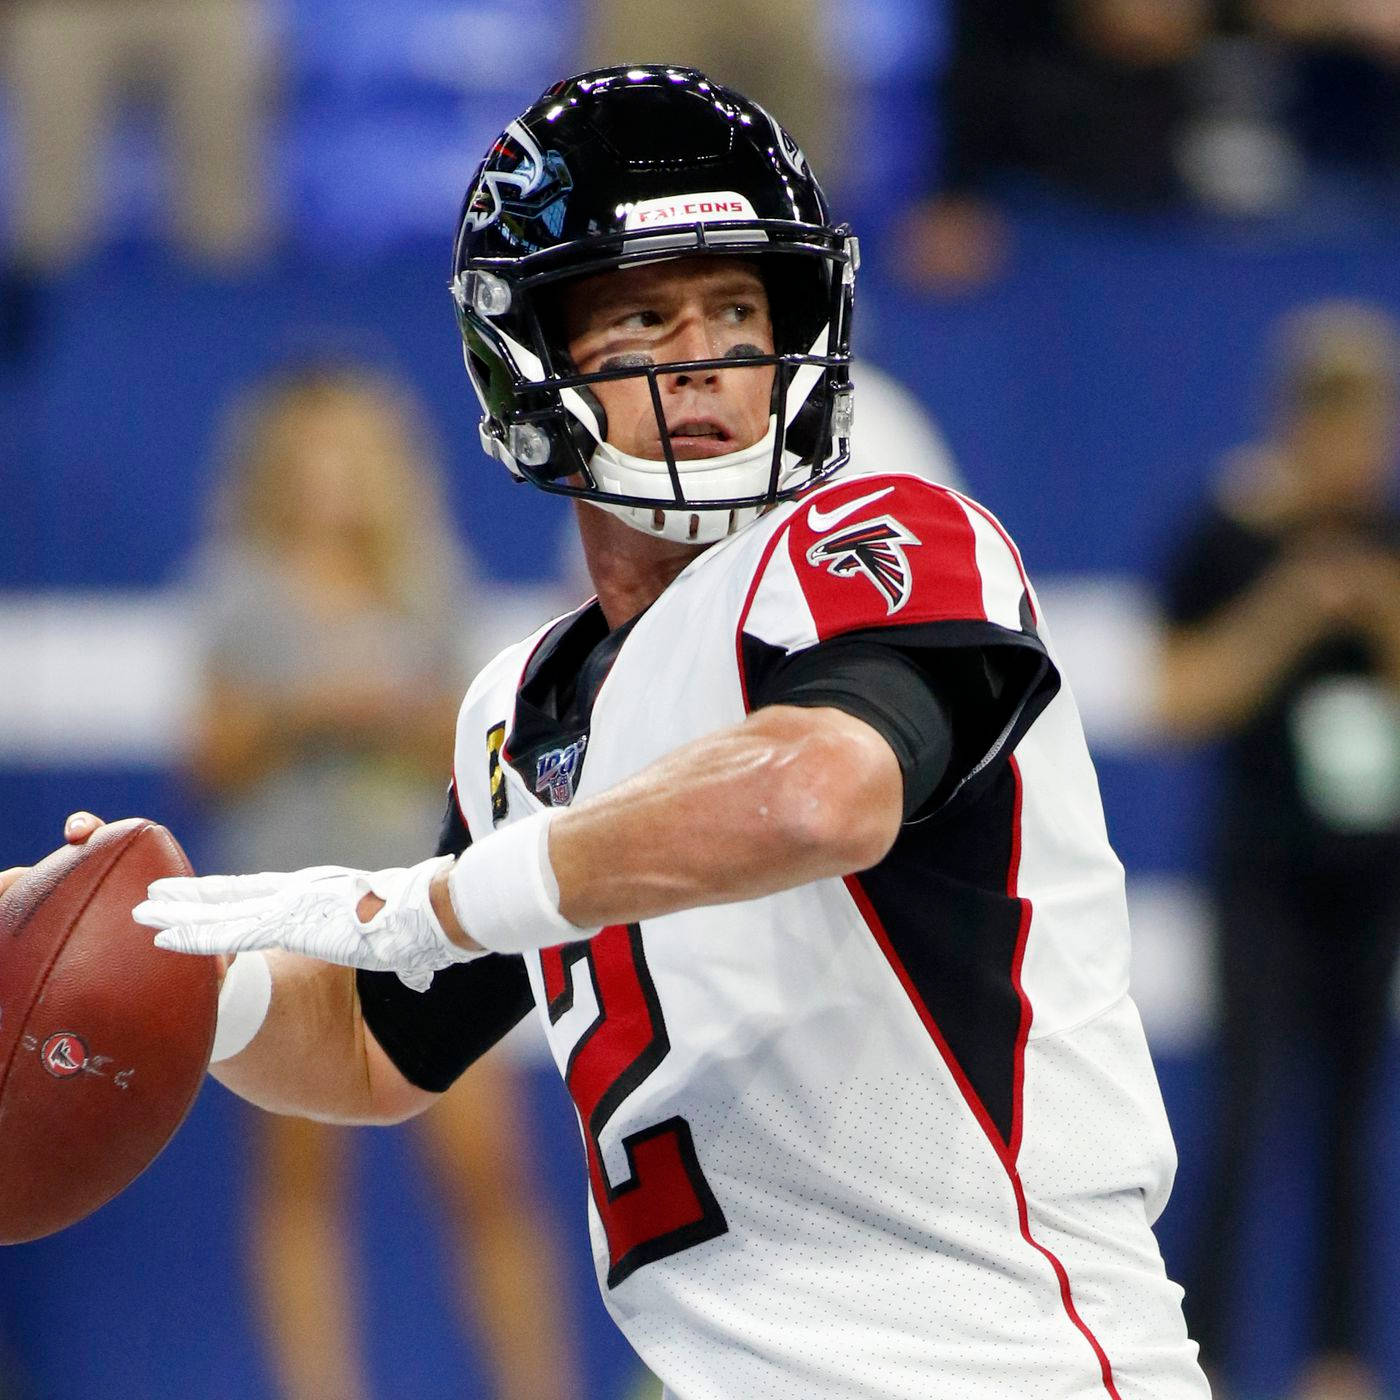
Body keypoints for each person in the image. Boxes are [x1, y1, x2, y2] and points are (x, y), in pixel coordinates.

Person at [6, 68, 1209, 1398]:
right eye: (645, 317)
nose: (705, 364)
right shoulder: (517, 710)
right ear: (531, 357)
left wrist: (463, 894)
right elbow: (372, 1048)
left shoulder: (881, 536)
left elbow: (821, 795)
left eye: (740, 312)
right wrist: (175, 966)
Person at [187, 365, 577, 1400]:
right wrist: (307, 709)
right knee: (301, 1181)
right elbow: (211, 752)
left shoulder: (424, 580)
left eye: (348, 459)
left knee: (488, 1174)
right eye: (311, 461)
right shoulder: (240, 591)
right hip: (286, 918)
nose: (330, 483)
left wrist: (385, 712)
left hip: (418, 915)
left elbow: (465, 741)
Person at [1157, 302, 1400, 1400]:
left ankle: (1334, 1362)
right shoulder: (1222, 537)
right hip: (1259, 868)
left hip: (1366, 869)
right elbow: (1178, 698)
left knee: (1350, 1120)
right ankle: (1196, 1356)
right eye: (1332, 419)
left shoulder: (1388, 538)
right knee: (1244, 1112)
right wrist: (1288, 611)